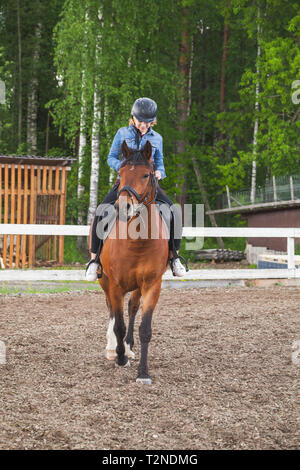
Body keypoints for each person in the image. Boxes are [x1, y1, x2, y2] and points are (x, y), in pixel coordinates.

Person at [85, 97, 186, 281]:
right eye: (140, 121)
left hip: (148, 186)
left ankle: (174, 258)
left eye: (147, 122)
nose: (143, 125)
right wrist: (123, 169)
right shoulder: (122, 134)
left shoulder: (157, 138)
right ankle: (94, 261)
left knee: (174, 212)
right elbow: (111, 157)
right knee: (101, 212)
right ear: (133, 118)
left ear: (153, 122)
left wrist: (160, 173)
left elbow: (160, 162)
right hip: (125, 185)